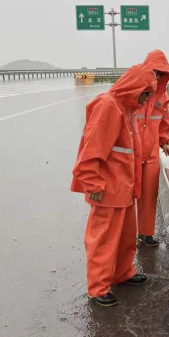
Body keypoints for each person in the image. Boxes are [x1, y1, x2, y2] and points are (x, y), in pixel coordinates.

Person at [70, 63, 156, 307]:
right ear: (134, 87)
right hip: (106, 189)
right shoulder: (108, 106)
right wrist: (92, 182)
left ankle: (122, 272)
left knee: (126, 236)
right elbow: (91, 148)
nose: (146, 99)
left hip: (124, 187)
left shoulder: (126, 108)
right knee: (104, 239)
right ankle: (97, 288)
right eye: (145, 93)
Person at [135, 50, 169, 247]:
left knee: (149, 195)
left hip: (150, 153)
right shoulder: (136, 88)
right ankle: (123, 238)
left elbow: (163, 120)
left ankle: (146, 233)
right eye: (155, 72)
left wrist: (164, 141)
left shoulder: (162, 94)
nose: (157, 77)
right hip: (131, 152)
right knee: (125, 198)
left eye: (160, 74)